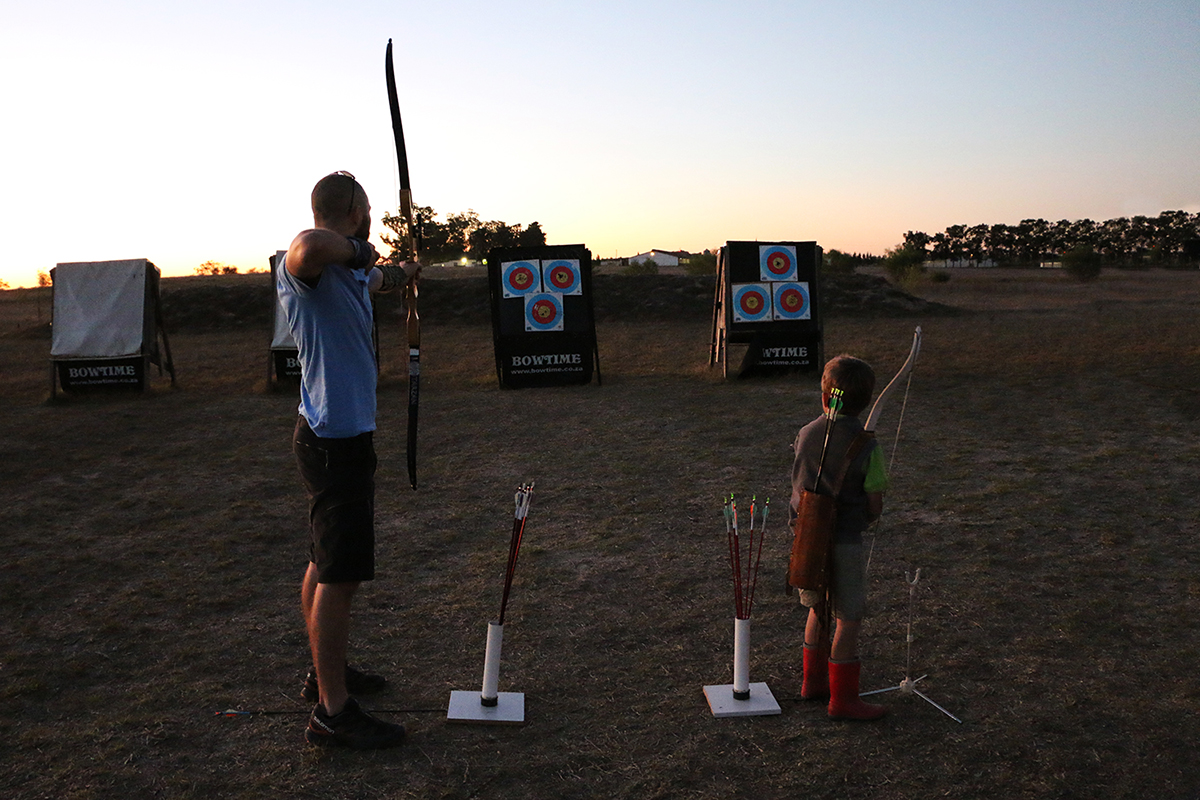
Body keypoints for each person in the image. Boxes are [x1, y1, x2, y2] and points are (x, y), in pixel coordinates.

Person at [277, 171, 418, 749]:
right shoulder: (307, 263)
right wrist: (361, 248)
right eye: (369, 211)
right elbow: (310, 246)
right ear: (358, 210)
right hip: (334, 441)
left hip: (337, 436)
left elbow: (375, 278)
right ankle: (334, 714)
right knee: (342, 574)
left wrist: (403, 273)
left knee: (323, 560)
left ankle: (322, 675)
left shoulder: (348, 271)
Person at [788, 355, 889, 721]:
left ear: (826, 396)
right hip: (844, 539)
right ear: (864, 401)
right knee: (849, 617)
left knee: (817, 606)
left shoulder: (805, 432)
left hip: (806, 538)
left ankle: (812, 683)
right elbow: (874, 501)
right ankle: (842, 700)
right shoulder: (867, 446)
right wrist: (869, 514)